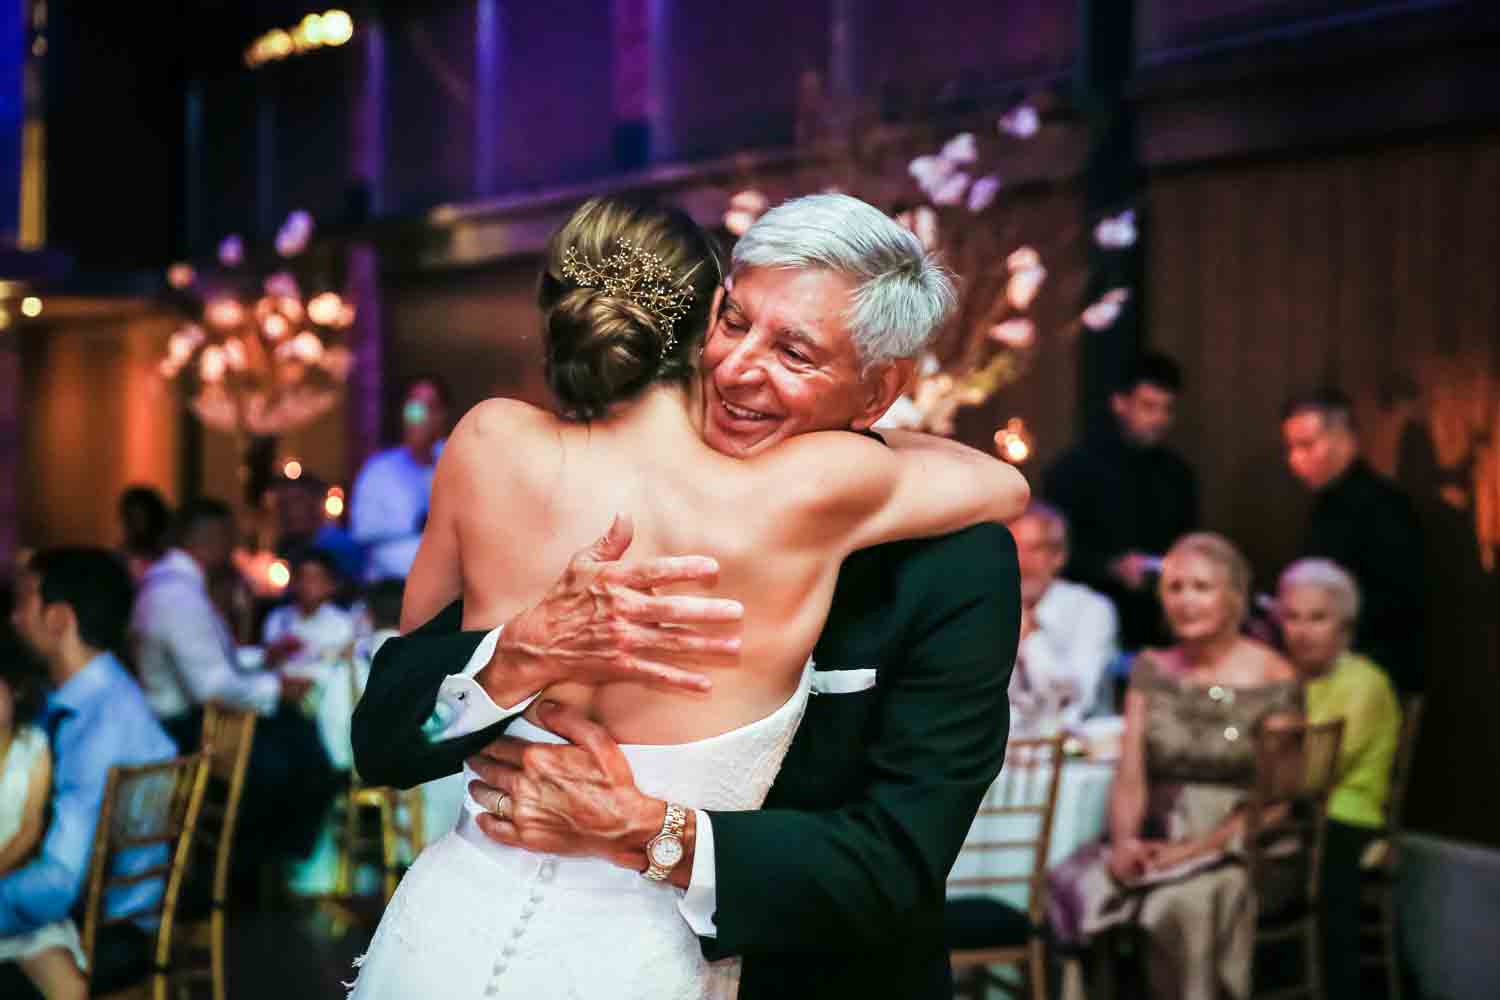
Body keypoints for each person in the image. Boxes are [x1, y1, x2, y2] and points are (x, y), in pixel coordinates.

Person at [348, 193, 1029, 999]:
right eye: (734, 322)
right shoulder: (549, 478)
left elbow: (893, 863)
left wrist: (651, 834)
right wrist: (512, 657)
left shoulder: (952, 562)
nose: (738, 368)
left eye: (795, 354)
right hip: (463, 932)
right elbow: (388, 733)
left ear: (879, 393)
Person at [1048, 533, 1302, 1000]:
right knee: (1076, 883)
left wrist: (1193, 852)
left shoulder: (1274, 676)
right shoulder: (1150, 668)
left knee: (1178, 904)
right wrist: (1125, 842)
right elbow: (1131, 773)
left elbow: (1278, 801)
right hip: (1156, 833)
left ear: (1234, 597)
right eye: (1175, 587)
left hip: (1242, 844)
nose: (1186, 601)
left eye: (1201, 588)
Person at [1, 549, 177, 999]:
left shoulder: (99, 725)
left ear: (58, 618)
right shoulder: (86, 702)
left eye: (22, 603)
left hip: (105, 925)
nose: (15, 619)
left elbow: (58, 883)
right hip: (104, 909)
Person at [131, 499, 334, 871]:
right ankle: (266, 866)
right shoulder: (178, 596)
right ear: (211, 540)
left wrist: (263, 658)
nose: (235, 550)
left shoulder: (172, 585)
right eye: (231, 539)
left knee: (295, 737)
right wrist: (277, 690)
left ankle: (273, 864)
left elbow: (213, 658)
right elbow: (209, 685)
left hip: (191, 717)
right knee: (301, 750)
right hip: (187, 727)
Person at [1276, 558, 1401, 1000]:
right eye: (1291, 617)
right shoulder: (1280, 676)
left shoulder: (1365, 682)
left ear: (1344, 627)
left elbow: (1317, 770)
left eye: (1317, 618)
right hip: (1284, 808)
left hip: (1347, 814)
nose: (1302, 631)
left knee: (1321, 854)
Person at [1043, 352, 1199, 650]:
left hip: (1159, 625)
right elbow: (1052, 550)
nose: (1159, 419)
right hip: (1082, 622)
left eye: (1167, 409)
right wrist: (1111, 567)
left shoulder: (1179, 475)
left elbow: (1189, 544)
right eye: (1149, 407)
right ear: (1120, 403)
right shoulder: (1072, 470)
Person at [1282, 388, 1425, 692]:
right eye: (1291, 447)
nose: (1295, 460)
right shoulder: (1324, 503)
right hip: (1329, 669)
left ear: (1343, 438)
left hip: (1372, 673)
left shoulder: (1386, 507)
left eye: (1306, 445)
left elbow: (1396, 603)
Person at [1009, 501, 1119, 731]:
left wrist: (1029, 636)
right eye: (1013, 548)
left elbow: (1075, 698)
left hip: (1076, 757)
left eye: (1035, 549)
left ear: (1058, 556)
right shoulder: (988, 610)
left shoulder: (1091, 609)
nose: (1022, 561)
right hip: (1007, 755)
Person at [350, 375, 452, 582]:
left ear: (442, 414)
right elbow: (362, 529)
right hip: (391, 589)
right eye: (414, 408)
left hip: (448, 589)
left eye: (429, 408)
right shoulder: (378, 471)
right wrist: (413, 523)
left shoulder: (456, 461)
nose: (419, 416)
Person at [118, 485, 172, 584]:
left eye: (138, 516)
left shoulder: (169, 555)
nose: (133, 524)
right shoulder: (123, 555)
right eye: (130, 518)